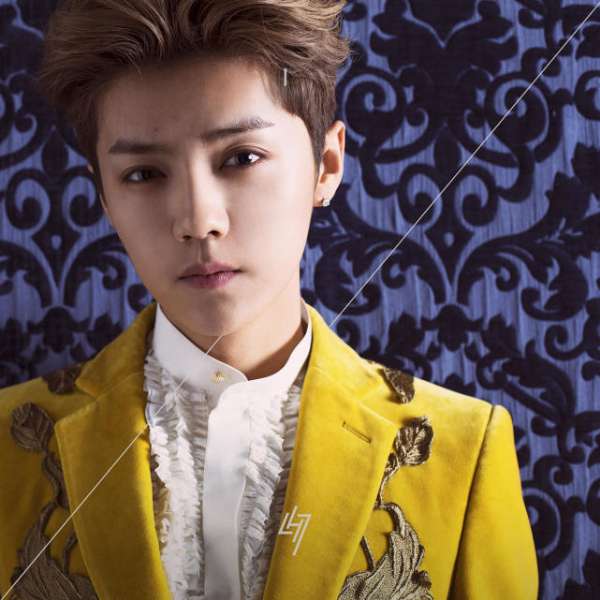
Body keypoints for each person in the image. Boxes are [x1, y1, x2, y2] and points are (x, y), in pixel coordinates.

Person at [0, 1, 538, 598]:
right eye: (144, 174)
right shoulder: (10, 444)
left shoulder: (460, 449)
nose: (198, 220)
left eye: (241, 158)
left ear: (325, 165)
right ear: (105, 197)